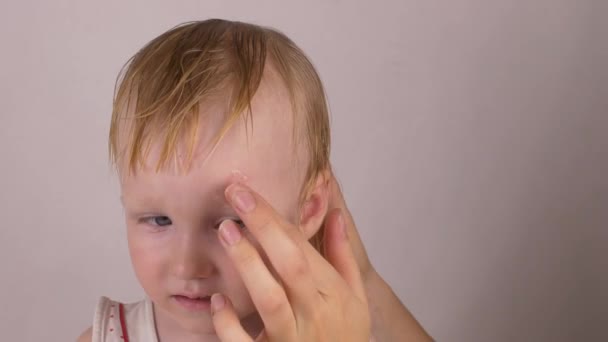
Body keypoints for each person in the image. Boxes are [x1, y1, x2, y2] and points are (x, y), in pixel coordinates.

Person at [78, 19, 432, 341]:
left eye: (231, 223)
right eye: (159, 219)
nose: (189, 266)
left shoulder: (337, 332)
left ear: (309, 209)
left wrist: (364, 284)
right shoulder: (107, 336)